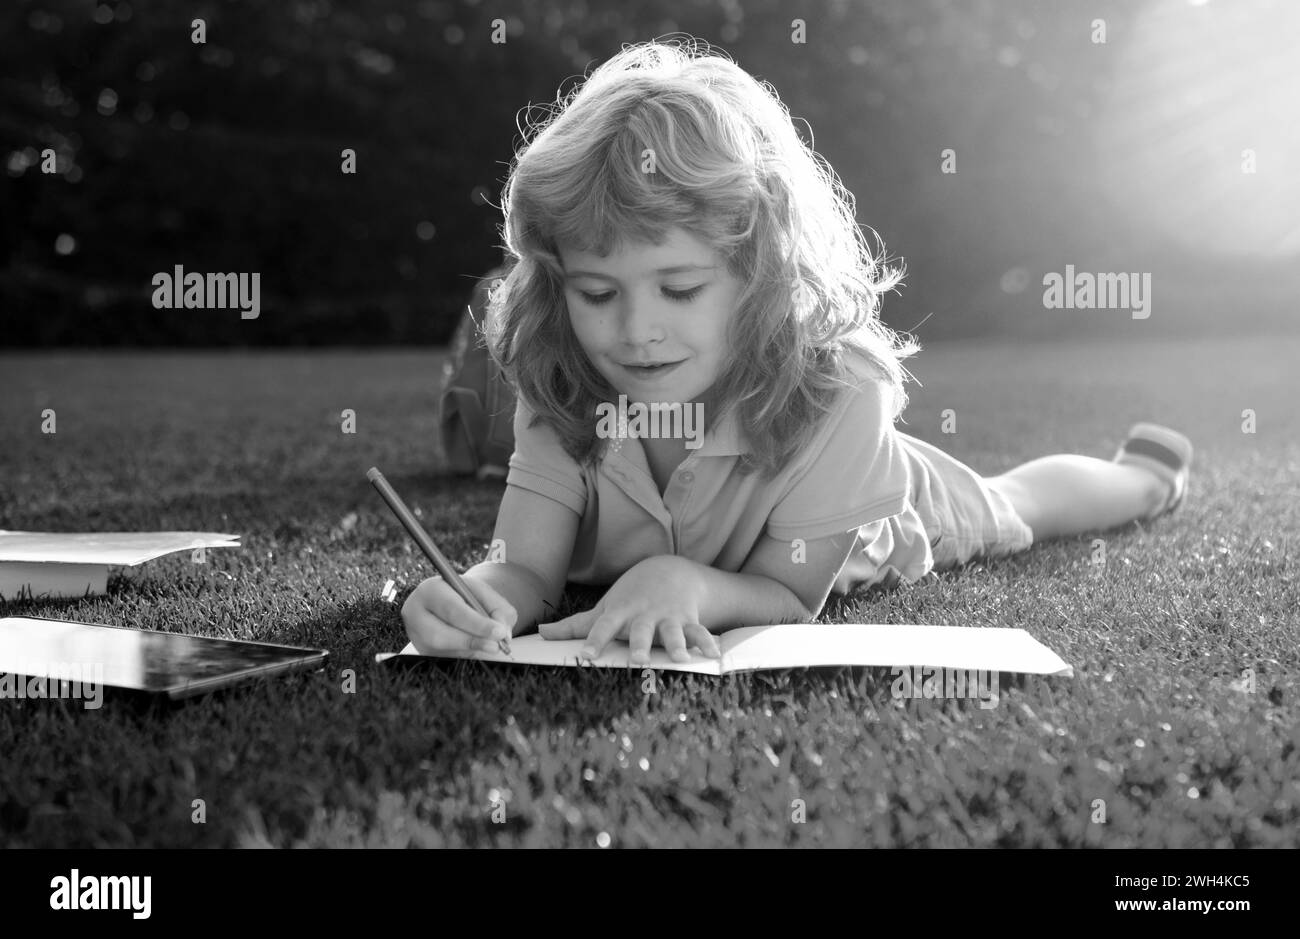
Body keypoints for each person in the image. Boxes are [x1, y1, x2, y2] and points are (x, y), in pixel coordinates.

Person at [403, 39, 1192, 665]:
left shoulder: (841, 392)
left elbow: (786, 595)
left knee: (1017, 505)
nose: (634, 330)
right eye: (597, 293)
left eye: (679, 289)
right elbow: (526, 571)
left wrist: (687, 584)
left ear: (762, 269)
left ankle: (1145, 478)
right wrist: (472, 593)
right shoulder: (563, 375)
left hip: (876, 515)